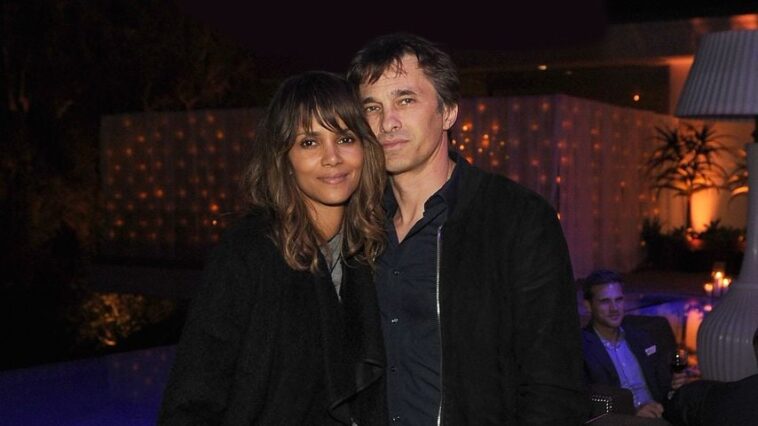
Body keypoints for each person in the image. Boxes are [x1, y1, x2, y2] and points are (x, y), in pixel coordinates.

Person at [347, 32, 588, 425]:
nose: (387, 122)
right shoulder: (358, 224)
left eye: (405, 100)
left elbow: (553, 383)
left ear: (448, 112)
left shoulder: (516, 219)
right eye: (372, 107)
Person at [158, 71, 388, 425]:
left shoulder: (369, 250)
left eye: (345, 138)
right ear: (284, 158)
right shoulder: (247, 253)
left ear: (364, 149)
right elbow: (193, 397)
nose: (332, 158)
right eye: (309, 142)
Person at [581, 269, 685, 420]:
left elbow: (663, 388)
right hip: (620, 421)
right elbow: (584, 403)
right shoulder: (582, 347)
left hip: (659, 415)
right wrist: (632, 412)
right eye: (605, 301)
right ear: (588, 306)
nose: (614, 308)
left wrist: (674, 386)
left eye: (618, 300)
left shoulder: (641, 337)